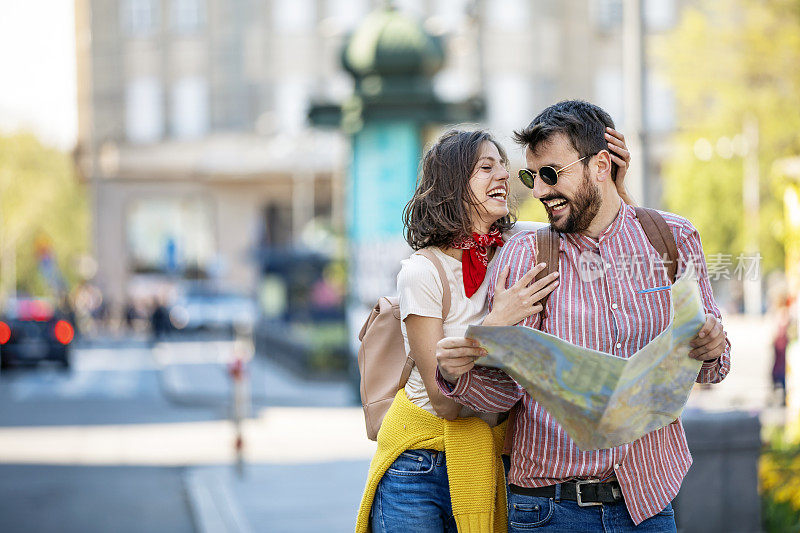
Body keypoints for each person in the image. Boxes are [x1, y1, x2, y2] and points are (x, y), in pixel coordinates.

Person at [436, 100, 731, 532]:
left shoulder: (671, 239)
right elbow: (507, 393)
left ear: (600, 166)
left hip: (647, 504)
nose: (538, 191)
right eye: (531, 177)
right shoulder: (527, 257)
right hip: (551, 510)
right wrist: (460, 372)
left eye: (551, 174)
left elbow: (715, 367)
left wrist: (712, 348)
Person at [356, 125, 633, 532]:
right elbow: (446, 401)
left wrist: (612, 184)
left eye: (503, 165)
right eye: (486, 167)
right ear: (453, 185)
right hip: (418, 462)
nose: (503, 175)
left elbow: (604, 239)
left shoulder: (520, 248)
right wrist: (496, 322)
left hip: (487, 452)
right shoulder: (421, 272)